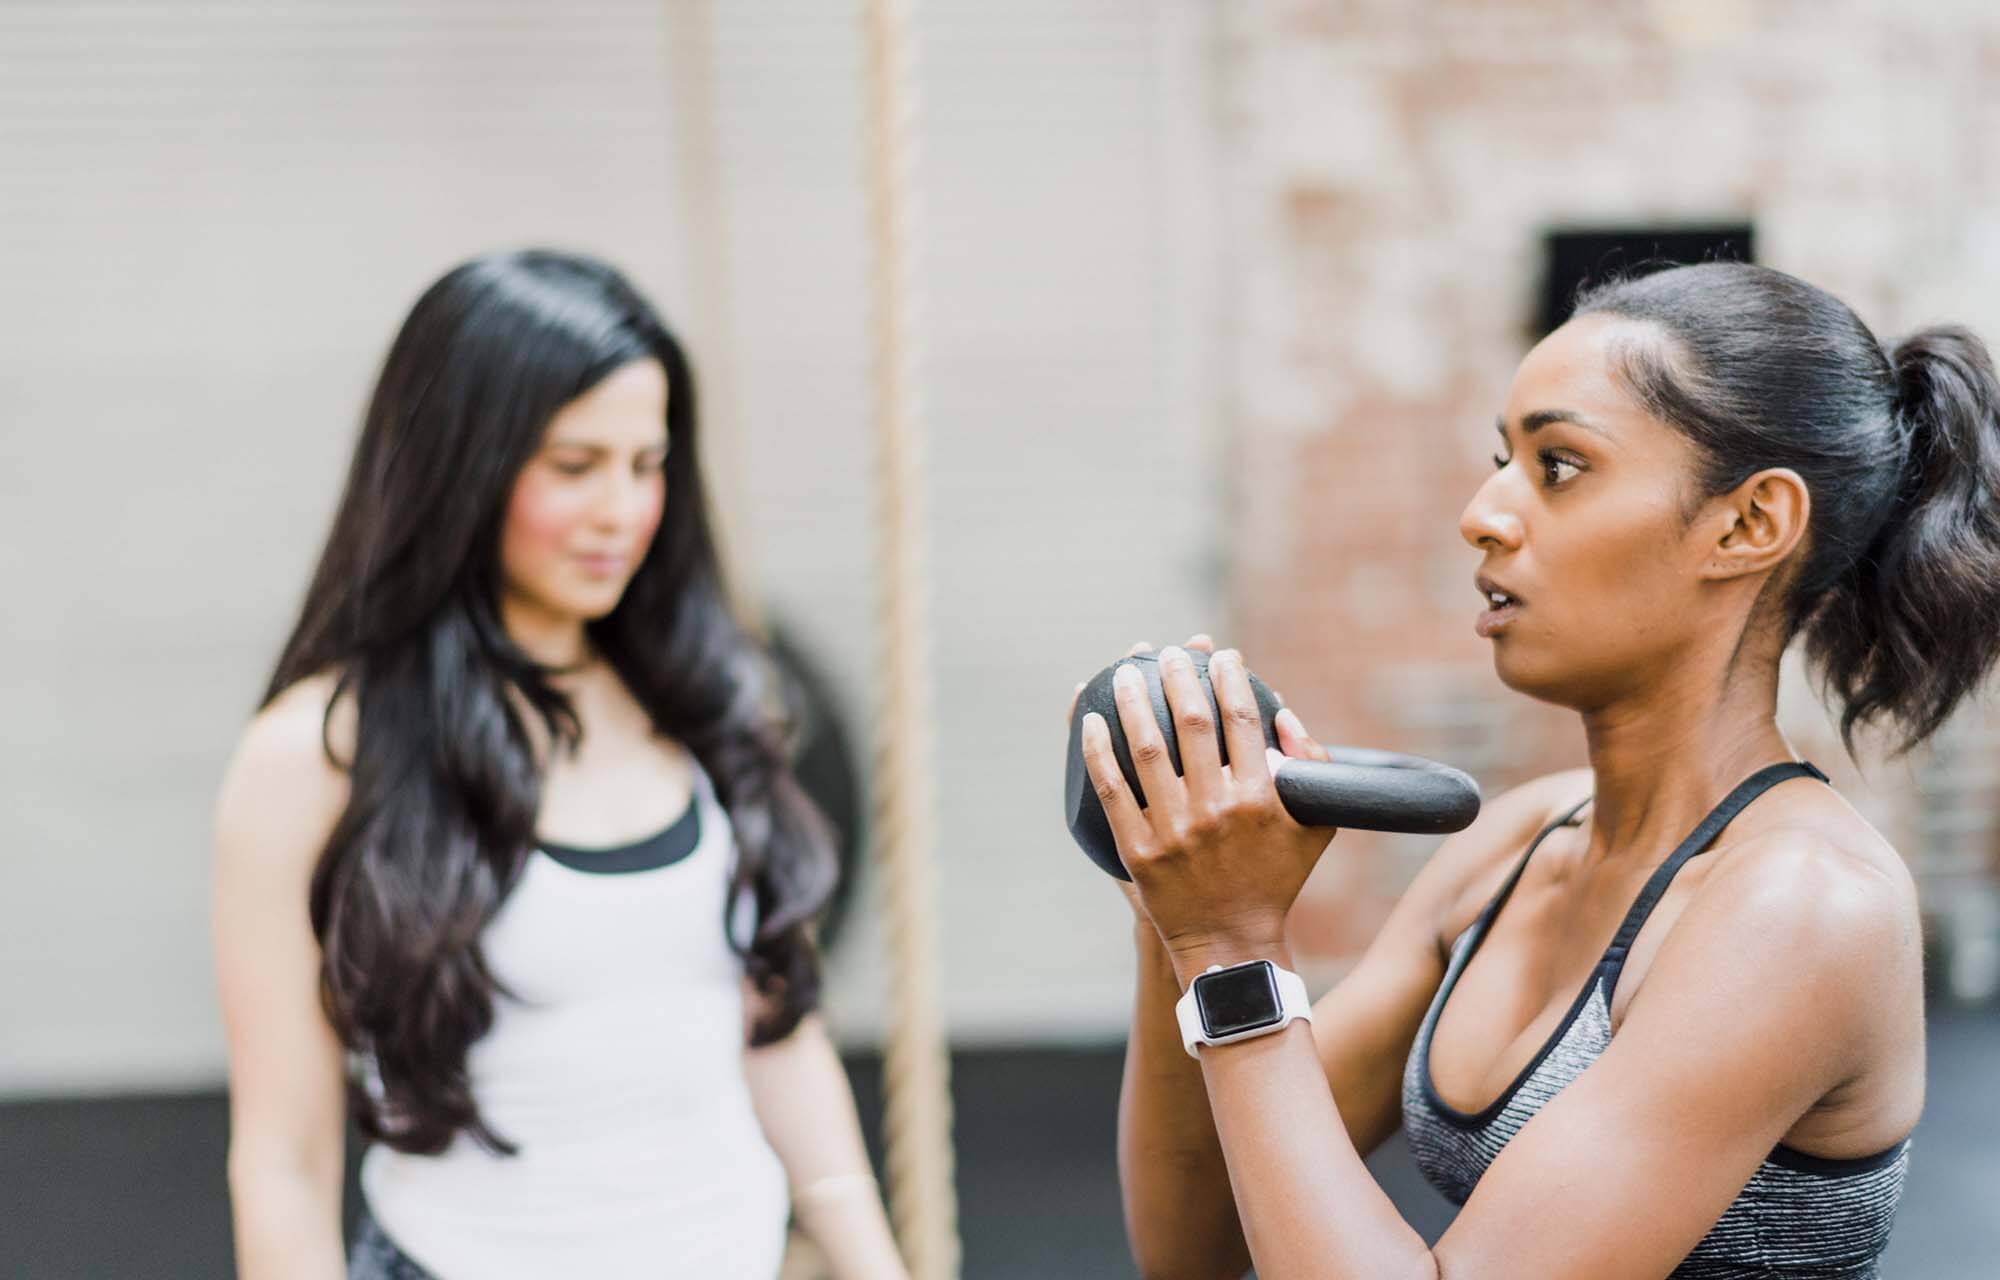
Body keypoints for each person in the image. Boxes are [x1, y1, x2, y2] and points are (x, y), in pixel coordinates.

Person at [1092, 263, 2000, 1278]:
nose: (1482, 512)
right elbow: (1195, 1240)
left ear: (1748, 525)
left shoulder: (1804, 907)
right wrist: (1172, 911)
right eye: (1501, 459)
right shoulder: (1514, 844)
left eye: (1558, 464)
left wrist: (1230, 944)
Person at [212, 250, 906, 1279]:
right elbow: (284, 1165)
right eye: (575, 466)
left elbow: (776, 1030)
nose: (620, 510)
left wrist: (873, 1260)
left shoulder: (705, 695)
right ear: (464, 468)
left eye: (645, 464)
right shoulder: (312, 755)